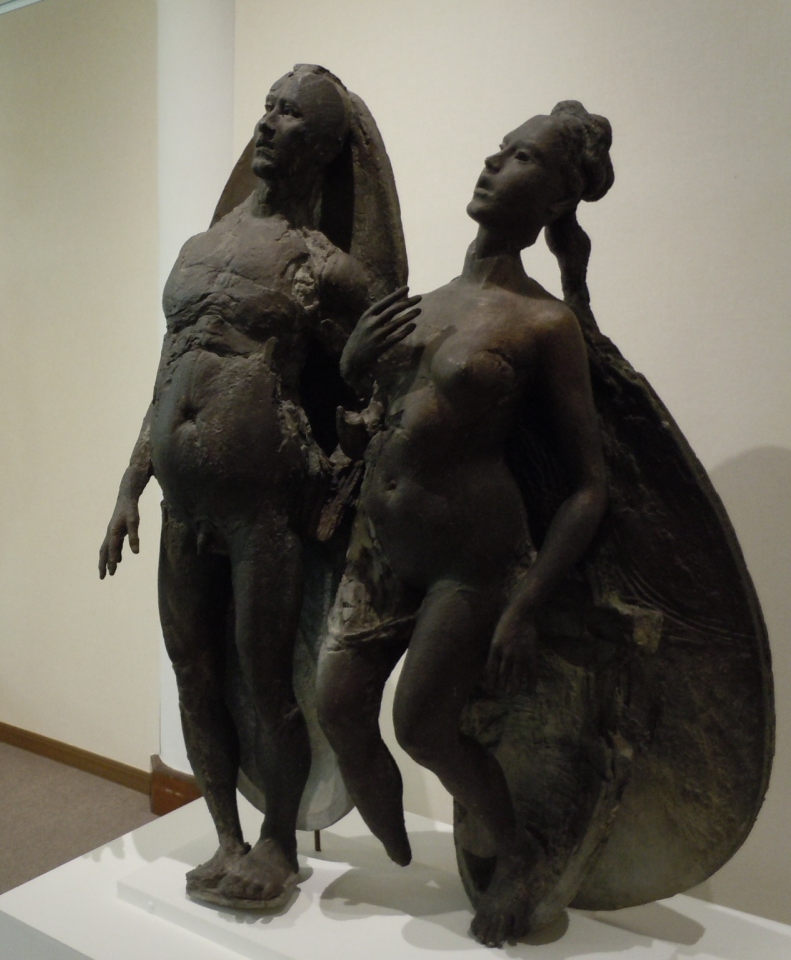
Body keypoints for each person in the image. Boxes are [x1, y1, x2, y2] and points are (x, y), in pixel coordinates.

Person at [99, 65, 405, 909]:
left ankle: (277, 844)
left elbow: (378, 385)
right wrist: (129, 486)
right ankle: (226, 837)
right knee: (192, 668)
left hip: (261, 507)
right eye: (267, 107)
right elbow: (169, 372)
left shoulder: (325, 266)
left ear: (324, 146)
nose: (268, 122)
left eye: (290, 114)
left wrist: (350, 446)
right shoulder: (200, 250)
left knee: (266, 678)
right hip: (181, 503)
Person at [317, 101, 613, 946]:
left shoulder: (543, 322)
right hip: (382, 547)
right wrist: (352, 370)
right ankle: (395, 846)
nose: (493, 163)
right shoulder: (423, 304)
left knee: (420, 726)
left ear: (556, 199)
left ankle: (516, 853)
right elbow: (377, 425)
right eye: (499, 149)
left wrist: (526, 603)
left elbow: (589, 487)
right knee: (337, 705)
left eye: (521, 158)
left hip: (470, 559)